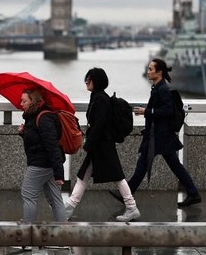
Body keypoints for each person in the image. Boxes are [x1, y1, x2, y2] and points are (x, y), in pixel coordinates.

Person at [112, 58, 201, 207]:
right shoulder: (158, 88)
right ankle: (193, 193)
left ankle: (127, 194)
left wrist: (146, 111)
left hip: (159, 137)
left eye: (150, 69)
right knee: (173, 165)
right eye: (148, 69)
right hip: (159, 135)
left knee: (143, 166)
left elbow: (167, 111)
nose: (148, 72)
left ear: (159, 72)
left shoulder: (162, 89)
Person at [65, 68, 140, 222]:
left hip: (103, 145)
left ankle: (132, 207)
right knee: (83, 176)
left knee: (117, 176)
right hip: (100, 145)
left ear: (97, 81)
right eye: (86, 78)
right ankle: (69, 208)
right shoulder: (97, 97)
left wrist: (88, 144)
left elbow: (99, 124)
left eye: (89, 79)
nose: (86, 81)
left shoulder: (101, 99)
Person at [18, 87, 67, 224]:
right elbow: (36, 140)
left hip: (41, 164)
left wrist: (59, 174)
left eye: (24, 101)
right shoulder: (34, 117)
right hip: (47, 163)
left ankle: (28, 231)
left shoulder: (44, 118)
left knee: (28, 194)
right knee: (55, 199)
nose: (21, 104)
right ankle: (63, 233)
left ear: (33, 101)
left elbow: (52, 146)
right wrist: (24, 132)